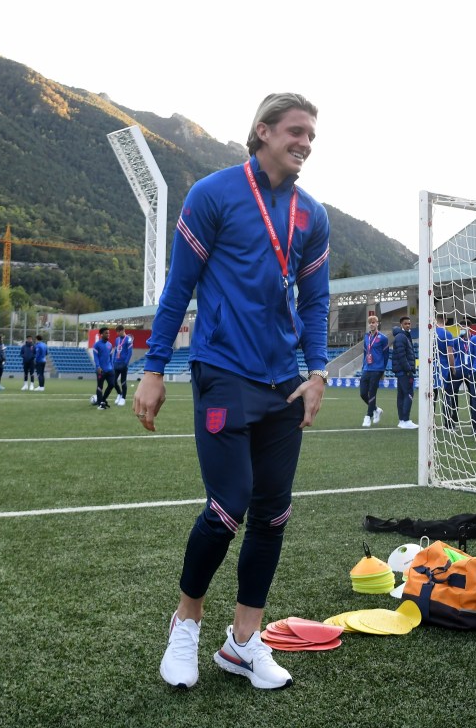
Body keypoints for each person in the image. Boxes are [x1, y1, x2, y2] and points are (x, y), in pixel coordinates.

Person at [133, 92, 330, 691]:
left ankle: (243, 643)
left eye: (312, 136)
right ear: (263, 132)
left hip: (284, 384)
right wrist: (153, 366)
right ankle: (185, 623)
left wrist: (317, 371)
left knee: (274, 514)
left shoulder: (311, 214)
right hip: (222, 373)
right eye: (296, 131)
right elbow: (179, 289)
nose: (306, 143)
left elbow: (316, 300)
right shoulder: (213, 193)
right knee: (228, 507)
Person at [359, 315, 389, 427]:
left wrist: (383, 370)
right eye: (370, 322)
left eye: (374, 322)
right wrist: (363, 366)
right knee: (362, 393)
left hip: (377, 369)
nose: (372, 324)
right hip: (367, 368)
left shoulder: (383, 338)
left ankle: (368, 416)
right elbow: (365, 353)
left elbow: (386, 355)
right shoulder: (366, 337)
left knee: (372, 393)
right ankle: (376, 409)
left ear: (378, 323)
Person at [434, 314, 463, 430]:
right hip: (444, 368)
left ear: (435, 320)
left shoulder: (430, 333)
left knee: (432, 396)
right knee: (447, 396)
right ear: (445, 320)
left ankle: (431, 422)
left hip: (432, 367)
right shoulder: (447, 334)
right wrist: (453, 368)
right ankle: (448, 423)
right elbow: (450, 353)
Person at [390, 316, 418, 429]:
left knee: (401, 395)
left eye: (409, 323)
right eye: (406, 324)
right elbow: (402, 356)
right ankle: (406, 420)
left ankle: (402, 420)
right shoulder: (402, 337)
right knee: (409, 394)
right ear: (401, 324)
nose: (408, 325)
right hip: (404, 371)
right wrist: (408, 369)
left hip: (401, 371)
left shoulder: (403, 336)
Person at [92, 327, 116, 410]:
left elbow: (111, 357)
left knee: (112, 384)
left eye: (108, 333)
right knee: (100, 387)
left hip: (110, 369)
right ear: (101, 334)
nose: (108, 334)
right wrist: (98, 367)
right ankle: (100, 404)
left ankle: (103, 400)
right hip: (101, 370)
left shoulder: (110, 345)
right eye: (106, 333)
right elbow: (95, 357)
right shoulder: (97, 345)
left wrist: (112, 367)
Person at [112, 324, 134, 406]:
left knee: (123, 382)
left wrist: (126, 363)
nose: (117, 333)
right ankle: (119, 394)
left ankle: (123, 398)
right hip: (116, 363)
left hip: (123, 364)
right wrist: (113, 361)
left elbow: (130, 352)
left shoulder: (128, 339)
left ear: (122, 330)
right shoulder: (117, 339)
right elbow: (115, 351)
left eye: (118, 332)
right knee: (113, 381)